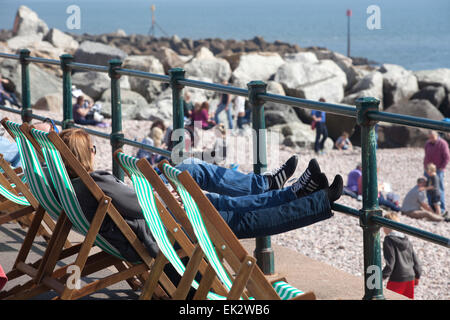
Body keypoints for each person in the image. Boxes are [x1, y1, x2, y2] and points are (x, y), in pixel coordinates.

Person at [59, 127, 343, 263]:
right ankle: (315, 199)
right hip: (165, 231)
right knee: (237, 216)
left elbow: (137, 204)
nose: (97, 152)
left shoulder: (73, 184)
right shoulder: (96, 182)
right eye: (93, 148)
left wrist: (167, 197)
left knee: (201, 179)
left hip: (161, 220)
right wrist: (168, 197)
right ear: (86, 154)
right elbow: (144, 205)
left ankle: (288, 190)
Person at [382, 212, 421, 299]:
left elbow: (390, 263)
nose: (382, 228)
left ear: (387, 225)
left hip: (397, 278)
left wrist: (381, 277)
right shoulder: (406, 239)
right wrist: (417, 275)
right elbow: (416, 260)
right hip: (410, 276)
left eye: (383, 225)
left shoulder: (389, 240)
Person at [423, 130, 449, 213]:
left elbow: (447, 157)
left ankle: (441, 208)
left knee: (438, 189)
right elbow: (426, 155)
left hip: (438, 170)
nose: (431, 139)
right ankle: (431, 207)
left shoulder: (442, 143)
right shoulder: (427, 143)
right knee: (428, 189)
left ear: (436, 136)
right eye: (429, 137)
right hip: (428, 169)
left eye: (432, 137)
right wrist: (425, 167)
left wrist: (442, 167)